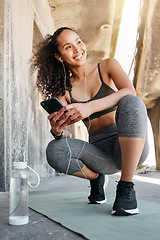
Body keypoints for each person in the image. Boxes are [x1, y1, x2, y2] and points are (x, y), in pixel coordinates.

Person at [32, 27, 149, 216]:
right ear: (59, 56)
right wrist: (57, 131)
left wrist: (89, 107)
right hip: (100, 155)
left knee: (131, 101)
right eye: (68, 47)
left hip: (130, 147)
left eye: (79, 42)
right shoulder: (64, 92)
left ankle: (126, 188)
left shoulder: (108, 66)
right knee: (55, 149)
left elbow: (129, 91)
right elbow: (66, 134)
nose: (77, 50)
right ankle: (96, 179)